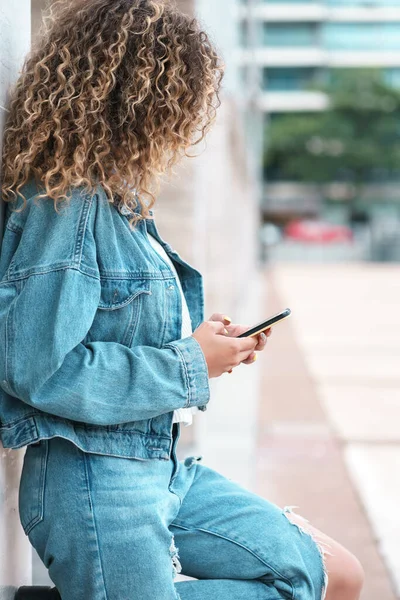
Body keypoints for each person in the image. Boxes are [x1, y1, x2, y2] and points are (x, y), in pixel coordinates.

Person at [0, 1, 364, 599]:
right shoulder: (67, 206)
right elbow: (32, 367)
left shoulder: (119, 207)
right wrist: (190, 364)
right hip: (97, 481)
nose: (182, 122)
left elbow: (112, 332)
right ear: (135, 101)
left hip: (160, 466)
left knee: (324, 573)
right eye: (176, 101)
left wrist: (208, 346)